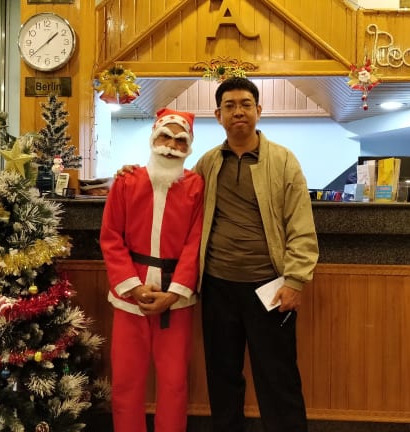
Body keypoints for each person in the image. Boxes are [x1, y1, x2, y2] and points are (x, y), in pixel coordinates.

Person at [195, 77, 319, 432]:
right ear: (218, 115)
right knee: (222, 376)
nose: (239, 112)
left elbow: (301, 225)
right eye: (230, 106)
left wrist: (295, 280)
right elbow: (173, 196)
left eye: (246, 104)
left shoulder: (282, 160)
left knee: (278, 377)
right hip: (217, 286)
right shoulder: (207, 163)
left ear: (258, 111)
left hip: (270, 288)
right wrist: (128, 176)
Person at [100, 108, 204, 432]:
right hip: (130, 299)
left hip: (175, 301)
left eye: (180, 140)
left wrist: (174, 294)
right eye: (165, 136)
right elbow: (111, 237)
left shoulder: (196, 187)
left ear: (188, 147)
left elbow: (196, 243)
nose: (171, 145)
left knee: (174, 383)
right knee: (126, 382)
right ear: (153, 138)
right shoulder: (126, 182)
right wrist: (133, 287)